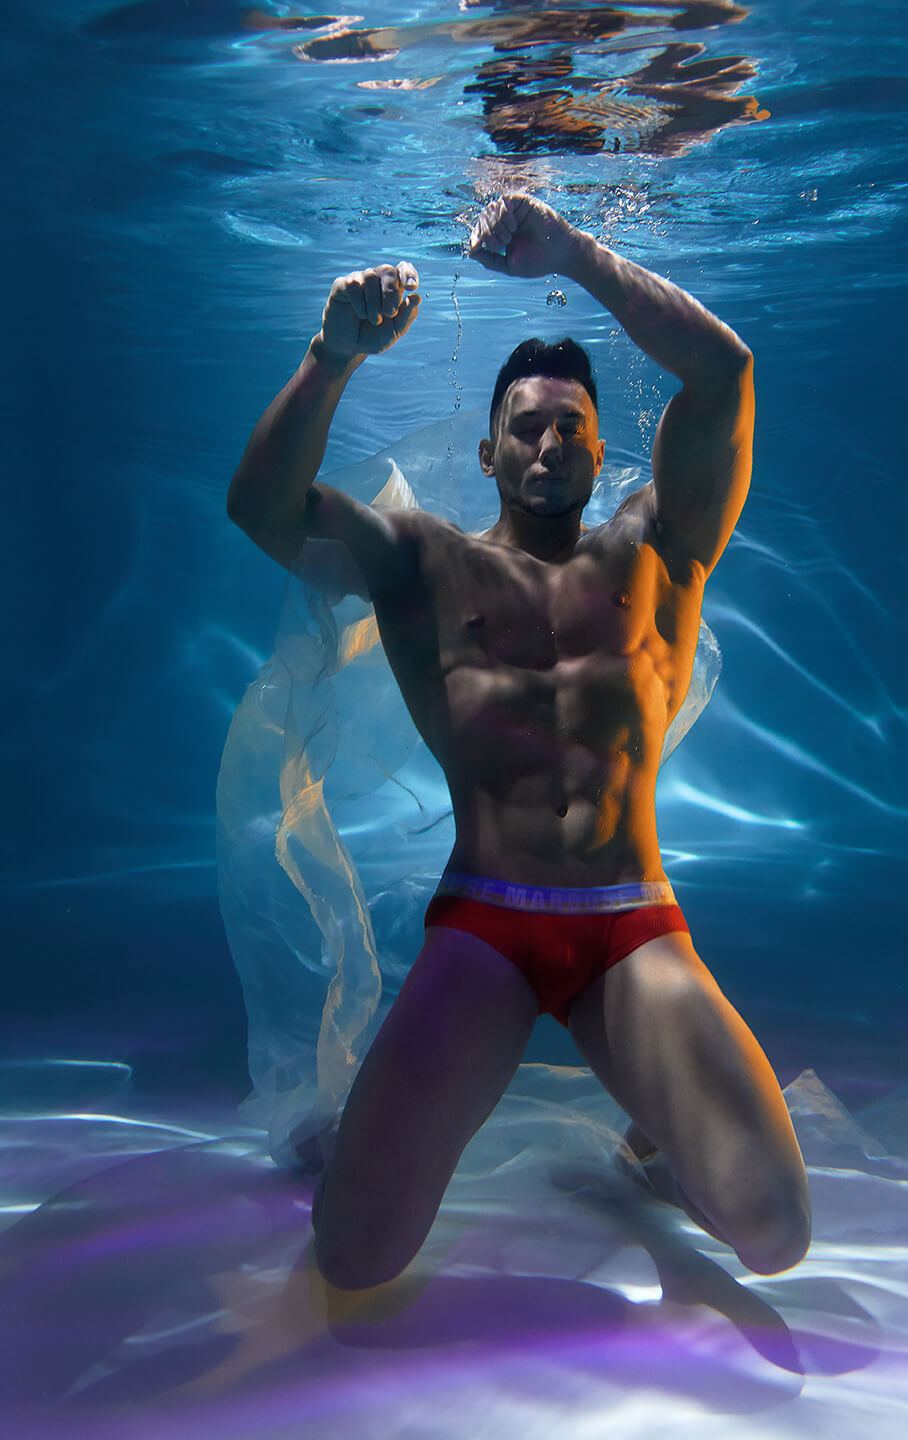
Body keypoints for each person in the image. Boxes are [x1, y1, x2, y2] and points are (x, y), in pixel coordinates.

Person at [227, 192, 811, 1290]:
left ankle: (654, 1145)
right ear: (490, 450)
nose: (550, 442)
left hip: (632, 927)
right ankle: (456, 1126)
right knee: (352, 1259)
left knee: (776, 1234)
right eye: (528, 425)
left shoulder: (663, 547)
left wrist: (576, 255)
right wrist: (330, 355)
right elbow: (262, 507)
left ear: (599, 447)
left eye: (571, 425)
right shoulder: (419, 559)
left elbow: (724, 371)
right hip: (484, 928)